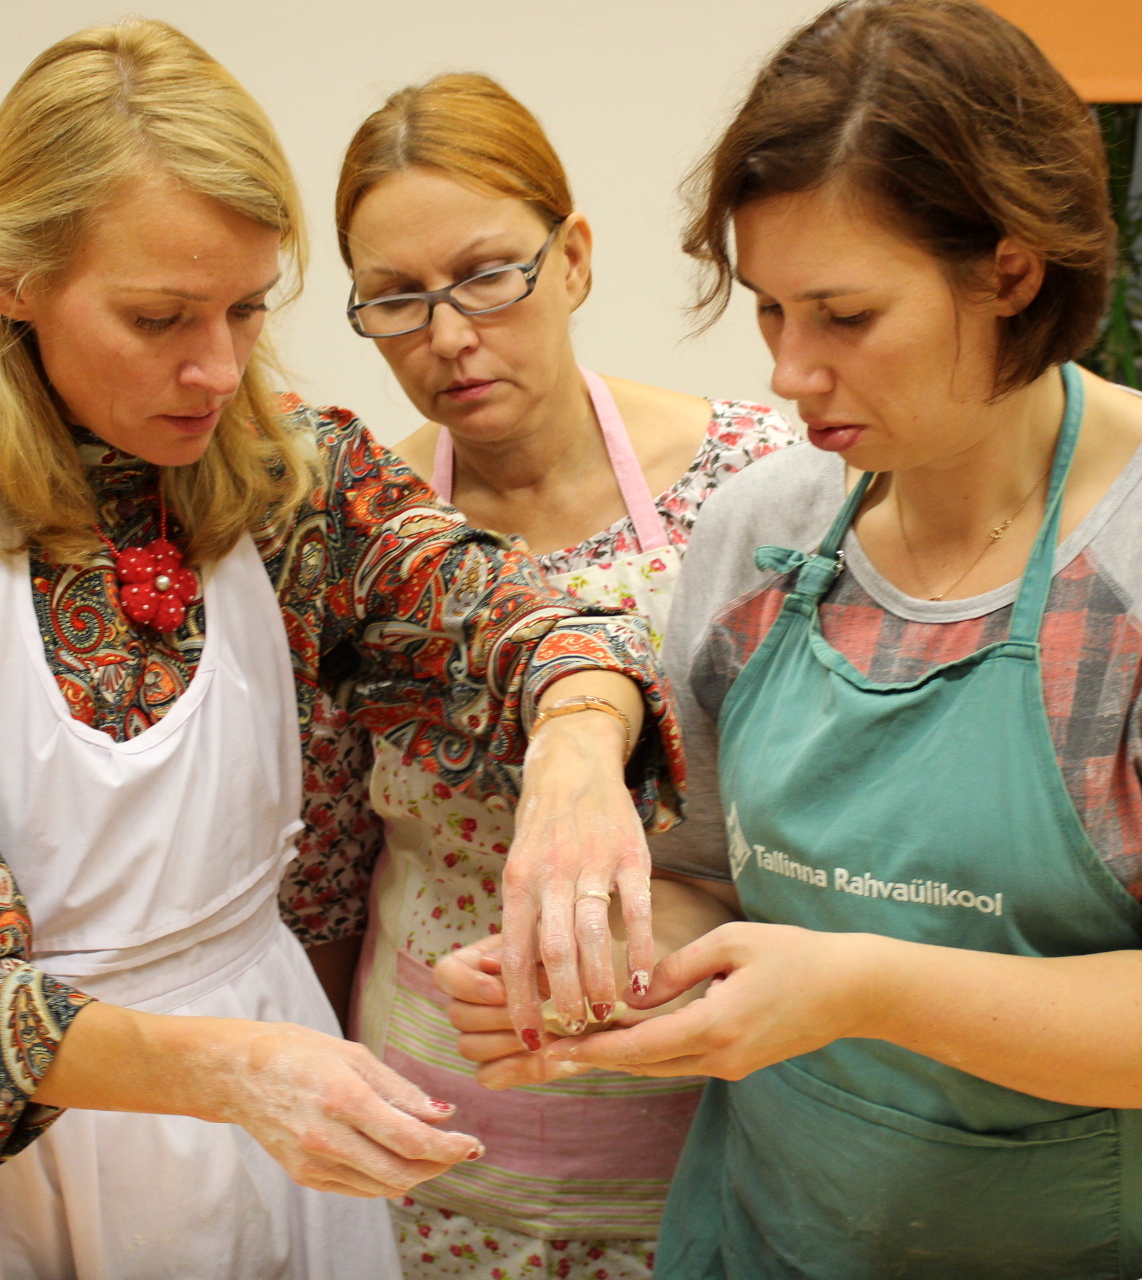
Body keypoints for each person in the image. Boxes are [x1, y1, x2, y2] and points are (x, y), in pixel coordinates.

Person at [444, 3, 1142, 1276]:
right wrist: (597, 955)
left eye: (844, 315)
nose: (790, 371)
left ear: (1010, 270)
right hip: (778, 1233)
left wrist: (861, 986)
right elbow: (708, 876)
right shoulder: (765, 529)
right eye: (770, 310)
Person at [0, 22, 682, 1279]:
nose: (218, 367)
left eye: (249, 308)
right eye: (159, 317)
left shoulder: (286, 474)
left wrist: (578, 749)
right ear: (11, 281)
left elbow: (527, 615)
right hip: (4, 1161)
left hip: (265, 1084)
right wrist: (230, 1068)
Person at [332, 73, 795, 1277]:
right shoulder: (357, 529)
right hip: (431, 1134)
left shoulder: (760, 483)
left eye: (490, 274)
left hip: (702, 1114)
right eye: (395, 300)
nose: (448, 335)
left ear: (575, 256)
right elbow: (328, 848)